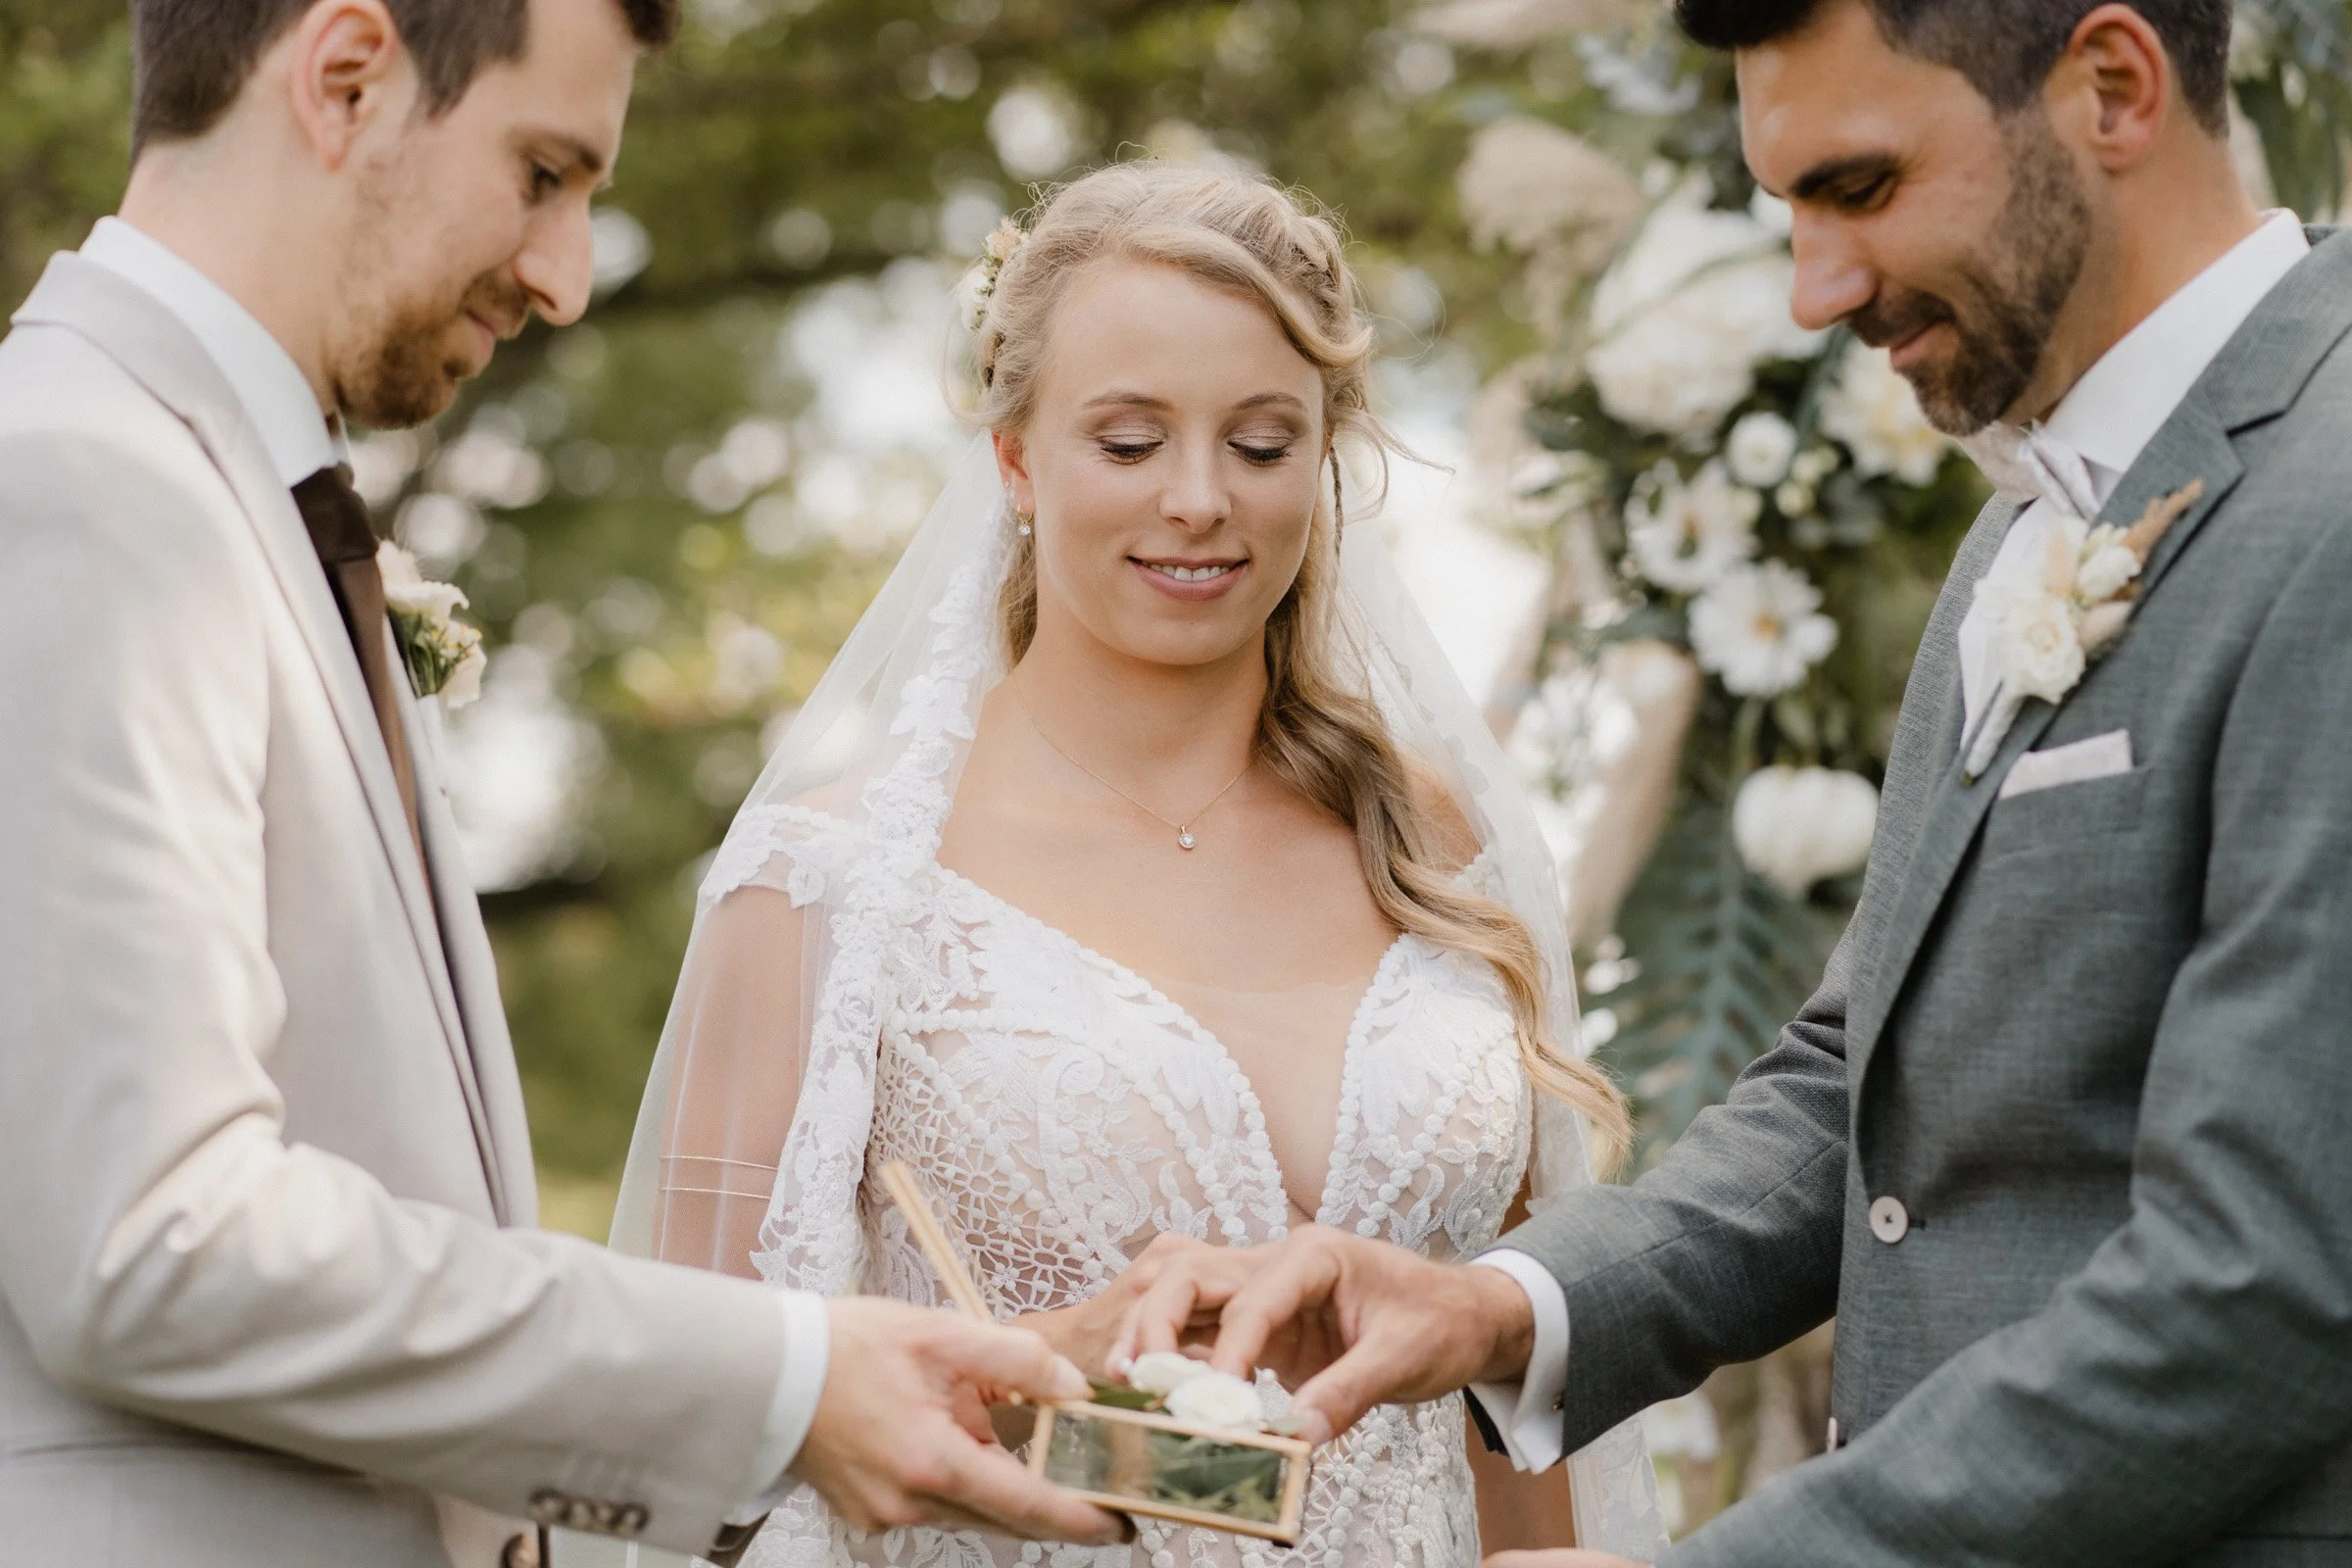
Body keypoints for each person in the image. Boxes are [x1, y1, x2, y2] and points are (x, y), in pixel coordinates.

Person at [1114, 2, 2352, 1564]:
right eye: (1786, 210)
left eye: (1859, 187)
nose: (1815, 288)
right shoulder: (2024, 527)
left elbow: (2276, 1275)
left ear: (2112, 88)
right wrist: (1499, 1302)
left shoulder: (2333, 499)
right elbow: (1862, 1085)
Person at [0, 3, 1129, 1565]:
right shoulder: (85, 486)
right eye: (544, 172)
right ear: (345, 78)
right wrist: (785, 1383)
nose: (565, 276)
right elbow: (152, 1241)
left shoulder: (217, 500)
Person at [612, 162, 1667, 1568]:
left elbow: (1514, 1399)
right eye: (1127, 443)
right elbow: (688, 1441)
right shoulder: (825, 888)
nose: (1198, 501)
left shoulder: (1436, 846)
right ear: (1013, 457)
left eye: (1260, 442)